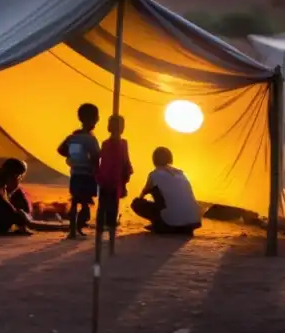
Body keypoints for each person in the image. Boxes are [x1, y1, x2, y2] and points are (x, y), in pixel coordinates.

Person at [131, 147, 201, 235]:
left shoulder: (154, 174)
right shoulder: (181, 173)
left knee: (137, 203)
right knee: (164, 195)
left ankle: (160, 224)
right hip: (194, 221)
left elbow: (143, 193)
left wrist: (146, 197)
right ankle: (179, 225)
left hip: (172, 221)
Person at [57, 103, 101, 240]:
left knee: (76, 201)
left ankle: (73, 230)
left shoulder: (72, 137)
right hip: (87, 175)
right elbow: (95, 157)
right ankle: (78, 226)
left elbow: (60, 149)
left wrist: (72, 156)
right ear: (95, 119)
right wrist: (97, 172)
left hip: (75, 174)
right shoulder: (90, 139)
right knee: (85, 203)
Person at [95, 114, 133, 243]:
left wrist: (125, 177)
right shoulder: (108, 143)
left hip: (113, 180)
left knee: (109, 208)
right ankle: (104, 232)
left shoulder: (120, 144)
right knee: (105, 207)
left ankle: (108, 234)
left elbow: (125, 162)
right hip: (108, 180)